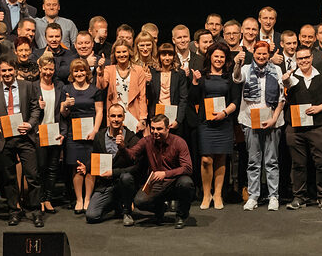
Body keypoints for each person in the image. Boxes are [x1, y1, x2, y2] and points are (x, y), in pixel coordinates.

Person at [0, 57, 44, 227]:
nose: (7, 74)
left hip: (25, 136)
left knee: (32, 176)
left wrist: (30, 123)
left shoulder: (28, 86)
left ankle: (36, 211)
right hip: (5, 138)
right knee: (9, 178)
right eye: (3, 71)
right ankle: (14, 211)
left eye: (10, 70)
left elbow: (35, 108)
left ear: (15, 71)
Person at [117, 114, 196, 229]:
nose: (155, 132)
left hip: (174, 181)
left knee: (186, 183)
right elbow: (132, 155)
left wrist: (165, 174)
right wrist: (122, 148)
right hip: (156, 183)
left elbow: (188, 168)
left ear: (168, 129)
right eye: (153, 128)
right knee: (139, 202)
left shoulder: (179, 142)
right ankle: (160, 207)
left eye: (159, 129)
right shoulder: (147, 141)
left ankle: (181, 215)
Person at [283, 45, 322, 211]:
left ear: (312, 58)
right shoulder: (292, 77)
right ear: (296, 60)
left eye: (306, 57)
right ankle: (299, 197)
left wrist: (319, 108)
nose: (304, 61)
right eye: (300, 59)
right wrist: (285, 79)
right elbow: (286, 85)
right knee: (298, 164)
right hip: (295, 127)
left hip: (317, 126)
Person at [235, 41, 284, 210]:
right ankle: (253, 195)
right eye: (258, 54)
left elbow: (281, 98)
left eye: (264, 54)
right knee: (253, 161)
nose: (262, 57)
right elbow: (236, 78)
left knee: (271, 161)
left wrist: (274, 119)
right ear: (253, 54)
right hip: (250, 120)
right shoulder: (245, 69)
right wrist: (237, 63)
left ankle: (273, 196)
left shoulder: (276, 70)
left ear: (269, 55)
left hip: (272, 121)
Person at [193, 43, 239, 210]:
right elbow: (193, 98)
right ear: (210, 57)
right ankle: (207, 194)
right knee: (206, 159)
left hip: (224, 121)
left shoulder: (230, 77)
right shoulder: (203, 76)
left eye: (222, 57)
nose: (219, 59)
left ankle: (218, 194)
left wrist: (225, 113)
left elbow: (235, 101)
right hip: (205, 123)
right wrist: (195, 82)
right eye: (216, 56)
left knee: (221, 158)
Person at [82, 103, 139, 225]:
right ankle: (114, 203)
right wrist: (86, 167)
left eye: (119, 116)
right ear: (108, 117)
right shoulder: (100, 136)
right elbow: (96, 157)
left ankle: (126, 211)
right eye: (113, 116)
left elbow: (137, 167)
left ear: (124, 117)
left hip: (123, 182)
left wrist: (114, 172)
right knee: (91, 216)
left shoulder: (132, 138)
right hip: (105, 185)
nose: (116, 119)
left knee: (126, 177)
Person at [63, 57, 102, 214]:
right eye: (76, 71)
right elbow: (62, 113)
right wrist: (66, 106)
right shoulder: (67, 89)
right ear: (72, 73)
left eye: (82, 70)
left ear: (87, 72)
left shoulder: (95, 90)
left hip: (90, 132)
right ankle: (79, 199)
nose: (79, 73)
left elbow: (100, 111)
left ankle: (88, 199)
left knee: (90, 166)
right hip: (74, 132)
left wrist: (95, 131)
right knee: (76, 166)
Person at [32, 54, 65, 213]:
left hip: (55, 131)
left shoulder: (59, 86)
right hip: (39, 132)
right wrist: (38, 106)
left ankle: (48, 198)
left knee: (53, 168)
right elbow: (28, 111)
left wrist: (63, 132)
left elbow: (64, 114)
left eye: (51, 69)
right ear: (39, 69)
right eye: (45, 69)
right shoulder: (33, 87)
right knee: (40, 168)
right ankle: (39, 199)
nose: (48, 72)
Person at [100, 40, 149, 131]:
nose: (121, 55)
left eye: (124, 51)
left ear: (129, 52)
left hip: (134, 115)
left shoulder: (138, 70)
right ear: (114, 54)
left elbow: (142, 96)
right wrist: (100, 72)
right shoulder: (109, 69)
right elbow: (101, 85)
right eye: (118, 52)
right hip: (116, 117)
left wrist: (142, 119)